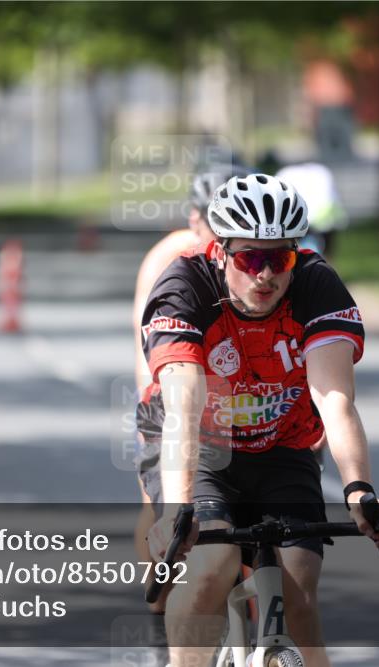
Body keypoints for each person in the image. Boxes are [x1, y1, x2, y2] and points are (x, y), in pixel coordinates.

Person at [137, 173, 379, 667]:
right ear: (220, 252)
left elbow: (335, 401)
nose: (266, 275)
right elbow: (184, 409)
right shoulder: (184, 287)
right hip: (201, 449)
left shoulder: (316, 286)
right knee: (208, 569)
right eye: (250, 259)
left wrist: (358, 489)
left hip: (283, 445)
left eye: (278, 258)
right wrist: (178, 510)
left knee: (299, 582)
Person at [131, 163, 249, 612]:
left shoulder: (254, 258)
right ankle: (161, 603)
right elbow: (148, 348)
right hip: (171, 390)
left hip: (243, 403)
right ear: (194, 218)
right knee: (161, 497)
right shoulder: (170, 260)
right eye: (211, 218)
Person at [276, 162, 349, 257]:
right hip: (323, 219)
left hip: (300, 220)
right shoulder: (321, 172)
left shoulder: (285, 173)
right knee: (326, 256)